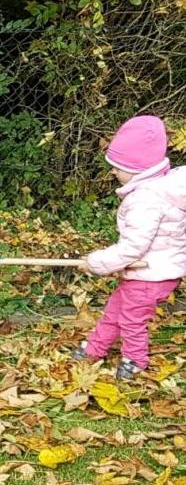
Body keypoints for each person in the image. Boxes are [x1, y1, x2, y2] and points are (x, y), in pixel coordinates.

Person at [75, 114, 186, 380]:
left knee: (132, 319)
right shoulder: (159, 188)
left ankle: (135, 361)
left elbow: (133, 248)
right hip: (152, 271)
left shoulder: (145, 200)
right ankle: (94, 348)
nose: (112, 171)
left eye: (117, 166)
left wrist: (96, 263)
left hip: (150, 274)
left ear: (136, 169)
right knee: (115, 309)